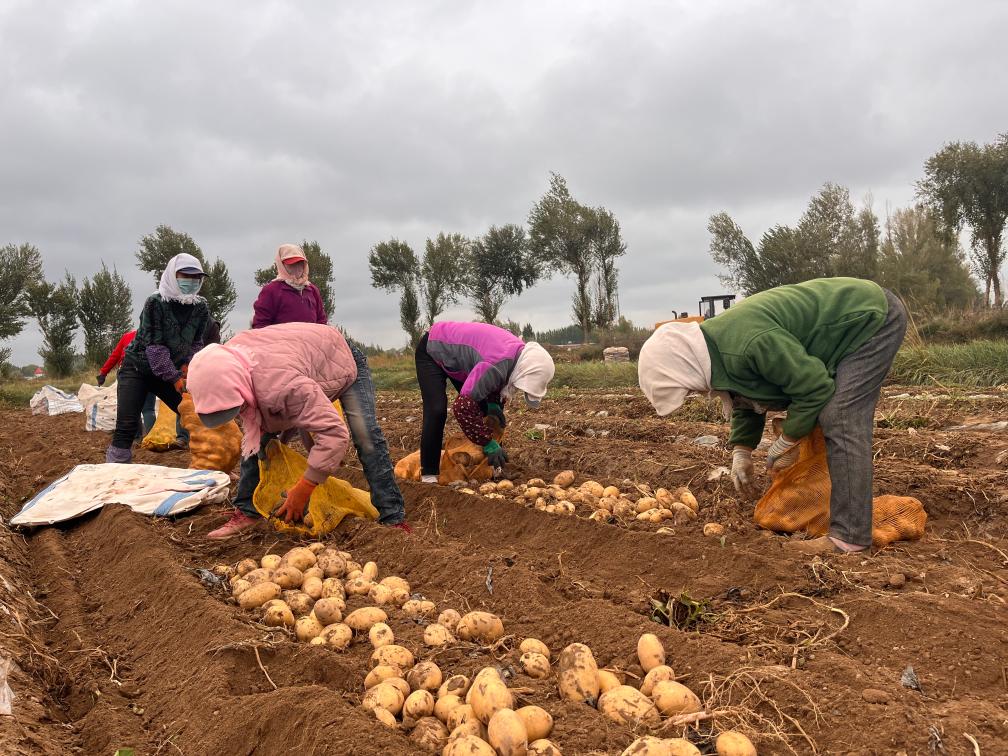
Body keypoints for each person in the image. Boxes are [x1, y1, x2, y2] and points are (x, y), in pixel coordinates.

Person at [637, 277, 907, 555]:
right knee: (827, 416)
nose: (695, 391)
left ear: (684, 366)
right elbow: (744, 394)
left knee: (839, 417)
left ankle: (850, 537)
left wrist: (787, 439)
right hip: (850, 324)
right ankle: (832, 507)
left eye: (688, 387)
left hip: (869, 320)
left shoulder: (747, 342)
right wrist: (741, 451)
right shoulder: (715, 351)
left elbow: (815, 387)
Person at [187, 323, 409, 537]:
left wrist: (304, 487)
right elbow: (260, 425)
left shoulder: (282, 385)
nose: (238, 413)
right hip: (297, 359)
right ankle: (247, 511)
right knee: (259, 439)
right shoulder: (225, 362)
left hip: (340, 357)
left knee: (365, 434)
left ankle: (392, 514)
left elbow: (334, 433)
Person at [415, 321, 555, 482]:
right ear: (523, 373)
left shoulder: (517, 358)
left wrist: (493, 404)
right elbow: (462, 407)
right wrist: (487, 442)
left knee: (484, 409)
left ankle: (495, 469)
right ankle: (429, 474)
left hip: (461, 359)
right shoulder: (496, 363)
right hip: (433, 348)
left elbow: (495, 383)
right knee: (436, 410)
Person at [105, 254, 210, 463]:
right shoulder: (156, 302)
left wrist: (189, 365)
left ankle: (209, 462)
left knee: (196, 418)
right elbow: (155, 347)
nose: (191, 281)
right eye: (186, 275)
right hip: (138, 369)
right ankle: (115, 472)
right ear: (173, 275)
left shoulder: (200, 307)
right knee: (127, 425)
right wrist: (175, 378)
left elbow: (197, 342)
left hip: (168, 372)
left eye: (197, 277)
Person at [97, 330, 155, 437]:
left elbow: (115, 356)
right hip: (149, 373)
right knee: (148, 410)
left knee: (131, 408)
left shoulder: (127, 336)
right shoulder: (154, 336)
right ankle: (152, 438)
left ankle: (136, 438)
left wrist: (103, 373)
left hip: (128, 376)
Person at [252, 244, 327, 327]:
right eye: (292, 264)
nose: (297, 267)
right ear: (282, 265)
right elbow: (260, 325)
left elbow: (322, 321)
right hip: (280, 339)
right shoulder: (271, 290)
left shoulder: (312, 290)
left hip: (310, 339)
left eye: (300, 263)